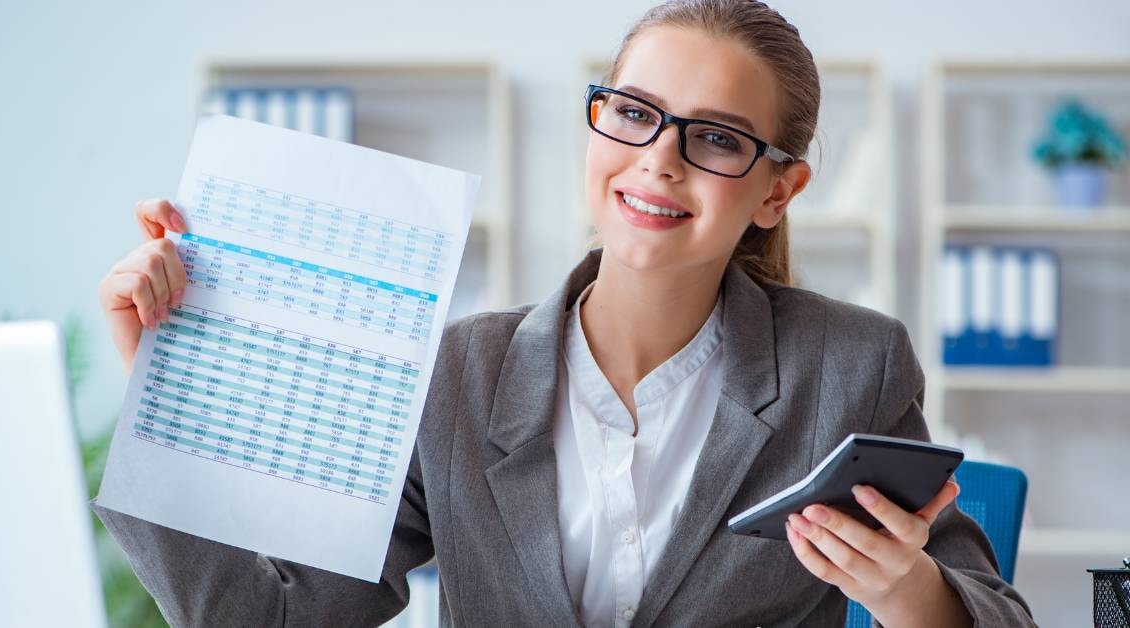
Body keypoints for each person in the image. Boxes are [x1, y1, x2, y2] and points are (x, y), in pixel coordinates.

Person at [94, 1, 1036, 625]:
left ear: (776, 192)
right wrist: (162, 394)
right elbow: (266, 619)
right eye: (634, 113)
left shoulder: (851, 365)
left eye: (714, 138)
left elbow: (996, 613)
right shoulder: (458, 373)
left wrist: (910, 591)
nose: (658, 161)